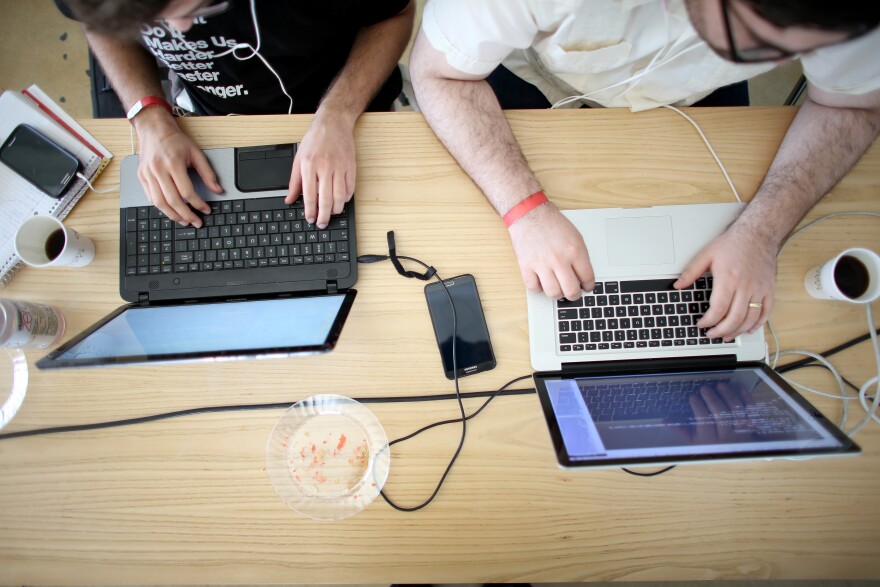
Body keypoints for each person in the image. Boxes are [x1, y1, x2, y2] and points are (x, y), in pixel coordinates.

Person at [410, 0, 880, 342]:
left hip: (698, 105)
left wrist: (761, 233)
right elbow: (436, 73)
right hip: (535, 80)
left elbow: (853, 107)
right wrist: (527, 211)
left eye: (788, 53)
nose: (767, 62)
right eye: (749, 37)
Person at [56, 0, 415, 231]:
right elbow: (101, 27)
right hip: (204, 122)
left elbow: (395, 14)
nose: (181, 28)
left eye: (198, 7)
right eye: (154, 19)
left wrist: (337, 115)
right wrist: (149, 118)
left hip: (344, 105)